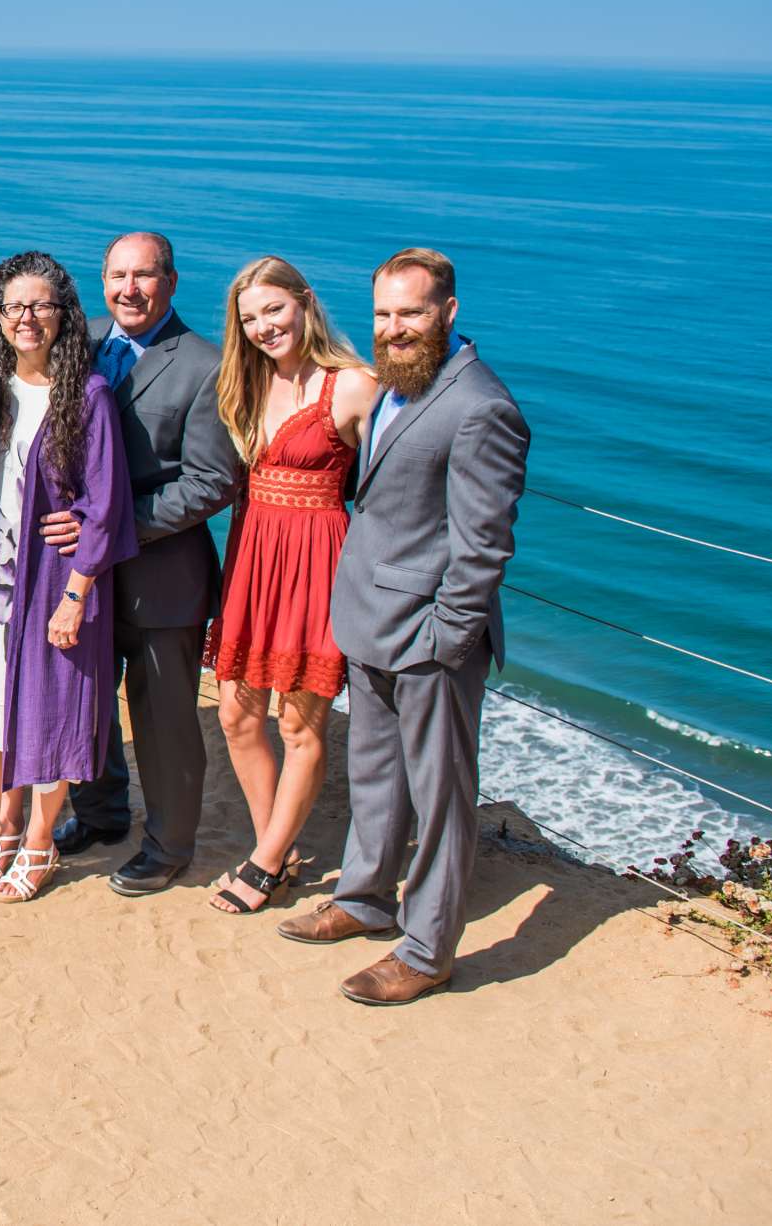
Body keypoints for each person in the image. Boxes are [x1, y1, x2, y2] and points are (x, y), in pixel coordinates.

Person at [279, 249, 528, 1005]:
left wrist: (447, 640)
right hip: (369, 620)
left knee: (443, 798)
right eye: (384, 314)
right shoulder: (392, 387)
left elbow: (483, 544)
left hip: (429, 637)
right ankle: (364, 899)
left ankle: (426, 951)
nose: (395, 329)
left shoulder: (482, 406)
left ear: (449, 313)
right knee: (376, 775)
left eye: (412, 313)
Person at [44, 231, 242, 895]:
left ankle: (169, 846)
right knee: (88, 705)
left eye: (144, 276)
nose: (129, 289)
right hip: (83, 577)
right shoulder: (81, 341)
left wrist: (108, 527)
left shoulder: (207, 365)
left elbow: (211, 483)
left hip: (162, 578)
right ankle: (100, 816)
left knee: (164, 723)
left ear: (172, 282)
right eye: (117, 275)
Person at [0, 253, 137, 902]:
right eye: (14, 307)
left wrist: (76, 595)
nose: (27, 318)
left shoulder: (88, 397)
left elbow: (106, 506)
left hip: (56, 584)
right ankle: (4, 827)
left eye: (41, 306)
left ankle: (41, 842)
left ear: (64, 316)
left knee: (51, 715)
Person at [202, 257, 378, 916]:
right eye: (250, 319)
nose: (264, 327)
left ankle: (268, 862)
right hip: (252, 560)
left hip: (319, 569)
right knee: (236, 715)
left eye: (274, 310)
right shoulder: (245, 384)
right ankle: (274, 843)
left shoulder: (356, 386)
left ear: (305, 302)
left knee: (300, 725)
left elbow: (390, 487)